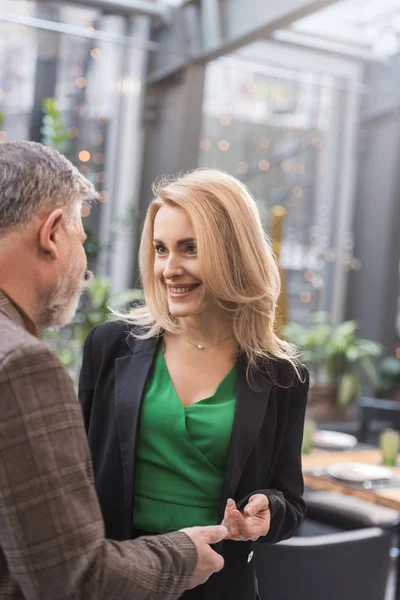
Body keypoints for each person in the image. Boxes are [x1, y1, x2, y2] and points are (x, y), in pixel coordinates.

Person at [0, 141, 227, 600]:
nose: (83, 266)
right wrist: (183, 555)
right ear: (53, 232)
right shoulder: (22, 363)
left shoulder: (279, 371)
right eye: (81, 239)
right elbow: (75, 577)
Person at [79, 168, 309, 599]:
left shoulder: (281, 374)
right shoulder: (110, 346)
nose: (169, 268)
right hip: (120, 575)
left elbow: (291, 504)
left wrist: (265, 510)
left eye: (190, 248)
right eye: (160, 249)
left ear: (233, 253)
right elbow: (74, 474)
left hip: (219, 582)